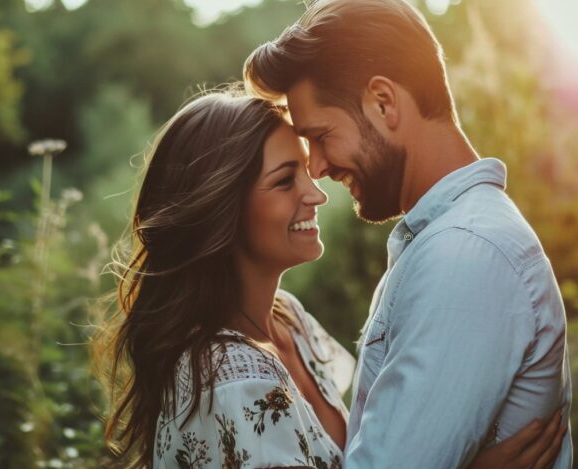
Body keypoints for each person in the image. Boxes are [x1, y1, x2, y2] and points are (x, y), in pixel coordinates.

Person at [94, 89, 565, 469]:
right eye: (284, 181)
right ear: (222, 211)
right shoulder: (226, 384)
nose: (314, 193)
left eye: (305, 169)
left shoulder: (290, 324)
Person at [243, 0, 572, 467]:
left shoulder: (465, 255)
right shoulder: (449, 239)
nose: (316, 165)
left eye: (320, 135)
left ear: (384, 102)